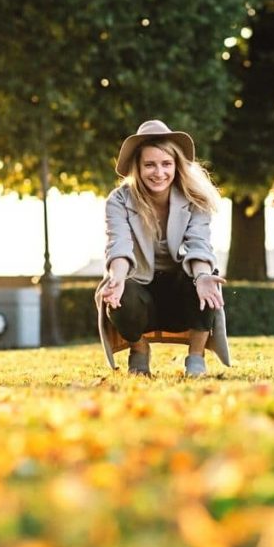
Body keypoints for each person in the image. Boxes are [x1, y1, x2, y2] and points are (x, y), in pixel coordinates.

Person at [99, 119, 227, 376]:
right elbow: (119, 244)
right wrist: (117, 278)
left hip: (179, 287)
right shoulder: (119, 200)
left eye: (166, 164)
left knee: (207, 284)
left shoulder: (195, 199)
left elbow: (199, 245)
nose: (159, 172)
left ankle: (196, 357)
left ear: (176, 165)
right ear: (138, 166)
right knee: (118, 297)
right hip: (140, 285)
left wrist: (202, 276)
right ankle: (140, 350)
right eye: (150, 165)